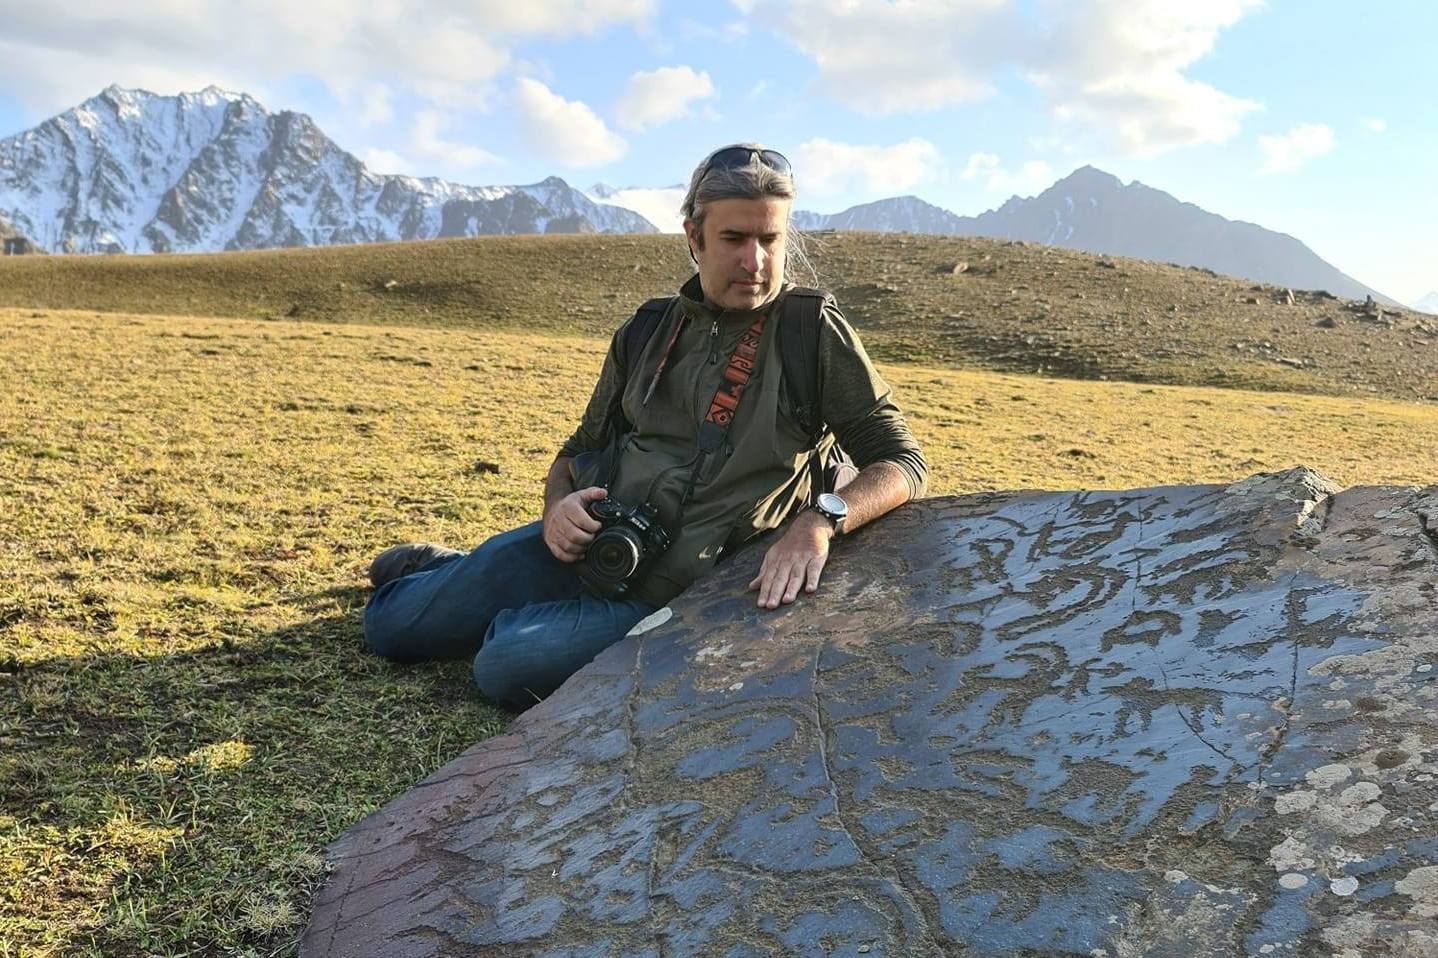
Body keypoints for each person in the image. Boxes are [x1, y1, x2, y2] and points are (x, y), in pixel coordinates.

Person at [363, 144, 927, 709]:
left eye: (770, 239)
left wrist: (819, 522)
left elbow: (902, 462)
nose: (755, 262)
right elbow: (579, 448)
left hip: (676, 599)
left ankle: (487, 598)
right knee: (389, 628)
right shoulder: (648, 328)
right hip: (594, 546)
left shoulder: (811, 330)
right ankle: (452, 573)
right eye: (734, 239)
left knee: (507, 665)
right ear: (694, 237)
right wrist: (557, 509)